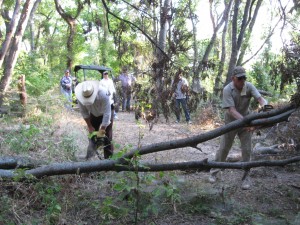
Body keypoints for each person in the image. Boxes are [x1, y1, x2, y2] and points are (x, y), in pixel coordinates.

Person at [209, 66, 268, 190]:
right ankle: (214, 172)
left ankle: (246, 177)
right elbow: (231, 110)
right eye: (239, 78)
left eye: (244, 78)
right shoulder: (227, 90)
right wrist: (246, 122)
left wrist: (266, 107)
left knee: (247, 150)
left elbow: (260, 99)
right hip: (231, 122)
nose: (242, 81)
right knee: (224, 148)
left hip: (245, 123)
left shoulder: (249, 86)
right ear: (233, 78)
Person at [75, 81, 113, 159]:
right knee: (92, 136)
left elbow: (107, 113)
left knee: (107, 137)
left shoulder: (103, 93)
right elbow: (84, 112)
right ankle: (89, 157)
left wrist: (102, 130)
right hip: (93, 113)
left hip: (106, 112)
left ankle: (109, 160)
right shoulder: (80, 96)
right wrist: (89, 126)